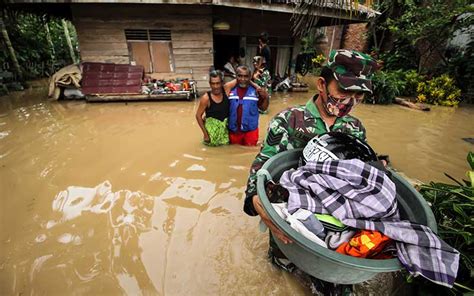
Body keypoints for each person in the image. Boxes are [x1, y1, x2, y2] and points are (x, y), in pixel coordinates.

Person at [243, 49, 379, 288]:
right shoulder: (289, 120)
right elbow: (263, 163)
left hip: (335, 220)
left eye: (358, 95)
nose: (349, 101)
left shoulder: (354, 128)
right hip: (290, 222)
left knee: (333, 282)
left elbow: (360, 176)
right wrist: (255, 197)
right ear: (321, 84)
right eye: (344, 91)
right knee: (281, 277)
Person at [224, 65, 269, 146]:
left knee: (249, 153)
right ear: (236, 76)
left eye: (246, 76)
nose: (243, 79)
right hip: (234, 131)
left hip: (251, 132)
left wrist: (266, 97)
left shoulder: (256, 91)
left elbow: (263, 108)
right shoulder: (230, 90)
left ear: (250, 77)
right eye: (240, 76)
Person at [195, 70, 229, 146]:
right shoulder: (206, 98)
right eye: (213, 84)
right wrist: (205, 134)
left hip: (226, 133)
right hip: (212, 134)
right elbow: (198, 116)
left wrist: (256, 86)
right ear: (210, 84)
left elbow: (240, 79)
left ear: (222, 83)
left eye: (218, 83)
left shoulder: (226, 90)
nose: (215, 86)